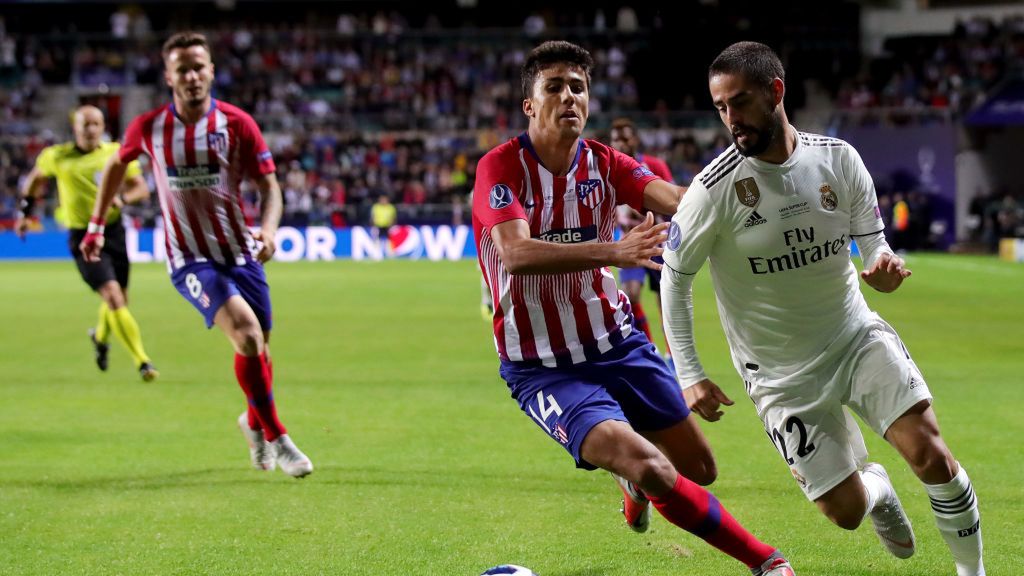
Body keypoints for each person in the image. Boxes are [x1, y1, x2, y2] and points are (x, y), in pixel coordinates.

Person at [661, 41, 984, 576]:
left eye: (739, 102)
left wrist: (884, 268)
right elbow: (675, 279)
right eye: (720, 107)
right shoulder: (711, 192)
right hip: (780, 376)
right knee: (846, 512)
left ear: (776, 91)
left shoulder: (837, 159)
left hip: (855, 337)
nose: (730, 119)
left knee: (933, 457)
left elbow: (874, 246)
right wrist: (689, 373)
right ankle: (876, 490)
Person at [472, 40, 794, 576]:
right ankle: (768, 562)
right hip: (542, 367)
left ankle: (631, 482)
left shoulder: (604, 163)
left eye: (578, 87)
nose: (568, 97)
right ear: (529, 104)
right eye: (553, 87)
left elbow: (683, 202)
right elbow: (516, 254)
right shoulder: (500, 168)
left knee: (700, 468)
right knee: (651, 464)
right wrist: (614, 251)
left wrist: (765, 208)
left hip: (616, 343)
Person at [80, 31, 313, 478]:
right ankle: (278, 436)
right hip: (189, 257)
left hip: (240, 252)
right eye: (182, 68)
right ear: (169, 77)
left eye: (198, 66)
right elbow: (116, 165)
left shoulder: (237, 123)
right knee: (246, 334)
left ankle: (252, 422)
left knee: (258, 345)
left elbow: (270, 187)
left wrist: (267, 229)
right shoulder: (149, 128)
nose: (191, 76)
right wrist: (94, 225)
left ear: (211, 72)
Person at [16, 105, 158, 382]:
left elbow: (140, 188)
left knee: (120, 301)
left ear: (104, 127)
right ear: (75, 127)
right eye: (86, 124)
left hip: (113, 231)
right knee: (113, 297)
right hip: (83, 237)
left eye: (96, 124)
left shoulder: (116, 153)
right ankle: (143, 361)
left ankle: (100, 338)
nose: (91, 129)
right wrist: (24, 213)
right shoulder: (56, 156)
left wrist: (123, 199)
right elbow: (34, 181)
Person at [608, 117, 674, 354]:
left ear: (635, 139)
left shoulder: (654, 165)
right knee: (631, 294)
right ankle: (649, 347)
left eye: (625, 138)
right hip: (630, 243)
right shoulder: (608, 171)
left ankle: (671, 354)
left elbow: (673, 198)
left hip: (659, 242)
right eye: (616, 139)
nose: (621, 143)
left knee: (664, 299)